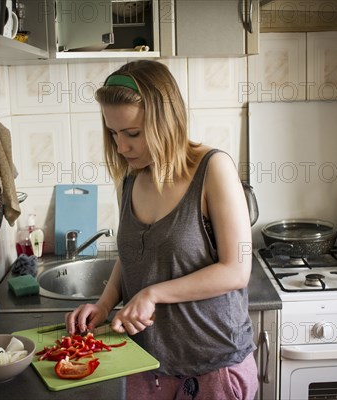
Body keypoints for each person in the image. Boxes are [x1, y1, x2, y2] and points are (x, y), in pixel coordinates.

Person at [65, 60, 257, 399]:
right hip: (147, 365)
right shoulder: (131, 178)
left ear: (166, 121)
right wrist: (105, 303)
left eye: (133, 134)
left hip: (214, 366)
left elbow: (236, 270)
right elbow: (134, 256)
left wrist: (153, 294)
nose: (122, 147)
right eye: (113, 133)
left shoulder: (213, 169)